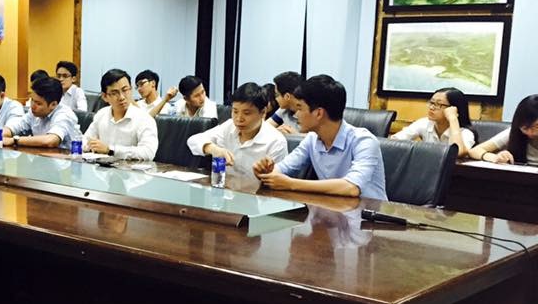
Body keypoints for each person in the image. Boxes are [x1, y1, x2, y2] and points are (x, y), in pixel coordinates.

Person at [253, 74, 387, 200]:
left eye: (300, 108)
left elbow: (351, 187)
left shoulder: (364, 141)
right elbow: (285, 167)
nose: (296, 115)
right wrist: (267, 172)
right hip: (333, 210)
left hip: (371, 214)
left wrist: (291, 184)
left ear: (318, 113)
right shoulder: (312, 139)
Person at [187, 83, 286, 177]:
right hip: (224, 187)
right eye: (235, 112)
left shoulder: (276, 141)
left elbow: (277, 181)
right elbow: (193, 140)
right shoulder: (229, 126)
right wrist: (213, 149)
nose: (239, 119)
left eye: (246, 113)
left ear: (263, 112)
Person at [83, 69, 158, 160]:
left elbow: (148, 152)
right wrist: (90, 145)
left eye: (125, 90)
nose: (122, 97)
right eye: (115, 93)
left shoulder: (144, 119)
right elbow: (86, 140)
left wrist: (111, 150)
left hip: (129, 168)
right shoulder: (101, 114)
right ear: (105, 97)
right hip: (101, 167)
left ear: (131, 90)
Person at [0, 76, 79, 150]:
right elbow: (15, 127)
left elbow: (50, 141)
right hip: (43, 156)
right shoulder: (34, 112)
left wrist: (15, 140)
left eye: (38, 103)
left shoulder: (64, 114)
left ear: (53, 104)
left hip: (68, 158)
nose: (33, 106)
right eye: (32, 100)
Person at [392, 87, 475, 157]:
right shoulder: (424, 123)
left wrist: (453, 118)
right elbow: (394, 141)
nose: (431, 107)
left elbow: (458, 152)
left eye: (439, 104)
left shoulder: (466, 133)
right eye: (431, 103)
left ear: (453, 109)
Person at [469, 94, 538, 165]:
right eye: (525, 128)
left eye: (536, 127)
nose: (531, 132)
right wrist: (495, 157)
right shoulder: (513, 133)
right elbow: (474, 151)